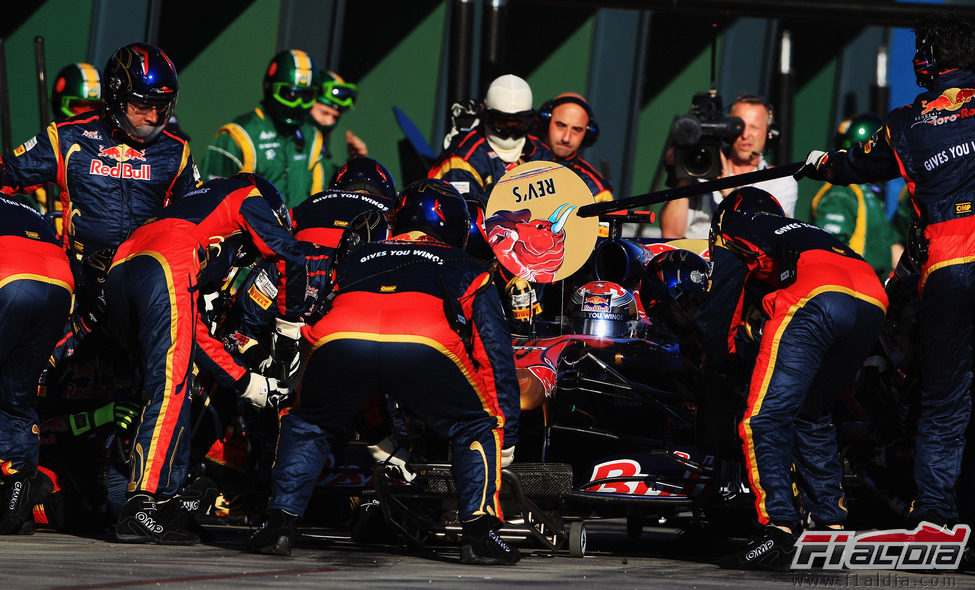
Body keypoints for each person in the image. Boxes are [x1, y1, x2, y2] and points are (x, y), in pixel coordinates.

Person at [249, 179, 521, 565]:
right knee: (476, 426)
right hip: (423, 342)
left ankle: (278, 523)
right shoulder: (469, 266)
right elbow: (494, 354)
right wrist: (505, 431)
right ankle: (479, 533)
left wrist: (376, 430)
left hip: (337, 339)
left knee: (308, 421)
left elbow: (350, 331)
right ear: (455, 227)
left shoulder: (358, 255)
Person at [801, 14, 975, 530]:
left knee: (943, 398)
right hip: (949, 264)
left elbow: (854, 165)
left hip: (950, 268)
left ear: (928, 60)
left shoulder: (908, 122)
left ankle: (938, 515)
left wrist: (821, 164)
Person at [104, 173, 319, 544]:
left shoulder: (192, 210)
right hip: (168, 260)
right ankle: (141, 504)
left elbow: (194, 336)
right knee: (170, 385)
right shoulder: (249, 193)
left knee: (169, 379)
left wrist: (247, 382)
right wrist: (287, 325)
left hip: (121, 264)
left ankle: (156, 501)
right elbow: (290, 254)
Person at [698, 187, 887, 570]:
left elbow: (721, 309)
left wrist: (721, 359)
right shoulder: (804, 230)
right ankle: (830, 530)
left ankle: (779, 531)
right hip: (872, 300)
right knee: (812, 414)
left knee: (764, 418)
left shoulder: (734, 225)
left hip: (816, 297)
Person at [0, 194, 74, 535]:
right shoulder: (26, 206)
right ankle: (17, 495)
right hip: (60, 281)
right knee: (17, 396)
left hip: (9, 274)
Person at [660, 94, 798, 239]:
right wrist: (685, 175)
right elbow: (670, 235)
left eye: (754, 127)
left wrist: (729, 190)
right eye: (739, 126)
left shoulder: (781, 179)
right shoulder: (703, 167)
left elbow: (775, 234)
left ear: (770, 134)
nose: (745, 135)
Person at [202, 49, 325, 208]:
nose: (299, 104)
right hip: (254, 231)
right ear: (269, 88)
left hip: (297, 232)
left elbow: (317, 198)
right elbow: (210, 202)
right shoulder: (238, 134)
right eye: (290, 94)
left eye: (307, 96)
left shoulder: (311, 135)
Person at [428, 73, 552, 205]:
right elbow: (464, 216)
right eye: (503, 123)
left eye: (518, 123)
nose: (510, 131)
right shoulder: (462, 160)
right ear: (488, 117)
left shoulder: (540, 152)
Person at [810, 113, 901, 279]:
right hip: (853, 287)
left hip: (874, 288)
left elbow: (893, 248)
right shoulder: (841, 192)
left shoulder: (870, 195)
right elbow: (829, 249)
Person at [536, 92, 613, 202]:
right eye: (561, 125)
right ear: (545, 122)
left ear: (587, 134)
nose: (566, 138)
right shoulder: (515, 159)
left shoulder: (597, 191)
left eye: (577, 130)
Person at [309, 70, 368, 182]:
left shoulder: (322, 156)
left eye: (335, 117)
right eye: (324, 113)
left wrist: (356, 162)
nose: (330, 122)